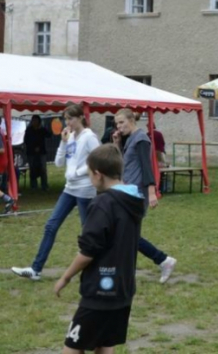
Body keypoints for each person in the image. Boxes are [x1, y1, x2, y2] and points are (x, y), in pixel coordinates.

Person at [54, 144, 145, 354]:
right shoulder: (133, 200)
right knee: (105, 344)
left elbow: (88, 252)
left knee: (72, 348)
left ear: (98, 174)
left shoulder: (103, 203)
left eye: (89, 174)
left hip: (99, 292)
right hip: (123, 290)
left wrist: (65, 277)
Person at [12, 105, 100, 281]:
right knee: (51, 225)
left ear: (81, 118)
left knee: (88, 231)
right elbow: (59, 163)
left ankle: (100, 268)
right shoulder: (70, 137)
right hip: (69, 189)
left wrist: (78, 172)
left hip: (84, 189)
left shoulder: (90, 137)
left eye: (71, 119)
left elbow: (98, 159)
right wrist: (63, 142)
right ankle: (36, 270)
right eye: (65, 119)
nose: (68, 123)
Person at [112, 109, 177, 283]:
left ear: (131, 120)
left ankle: (162, 260)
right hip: (128, 192)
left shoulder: (141, 139)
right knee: (128, 234)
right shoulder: (130, 139)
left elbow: (147, 167)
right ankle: (160, 261)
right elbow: (125, 164)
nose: (118, 127)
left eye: (121, 122)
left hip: (138, 195)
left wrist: (151, 193)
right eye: (116, 123)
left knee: (128, 234)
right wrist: (117, 144)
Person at [24, 115, 51, 190]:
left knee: (43, 168)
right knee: (32, 168)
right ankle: (33, 186)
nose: (34, 122)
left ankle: (44, 185)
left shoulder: (42, 129)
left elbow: (49, 135)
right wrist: (33, 147)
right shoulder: (29, 130)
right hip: (31, 152)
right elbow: (26, 141)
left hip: (41, 152)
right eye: (33, 121)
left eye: (36, 121)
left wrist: (44, 129)